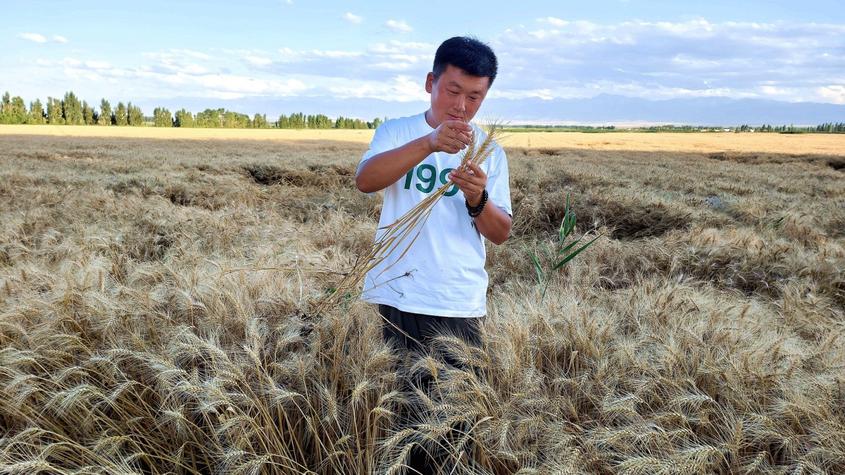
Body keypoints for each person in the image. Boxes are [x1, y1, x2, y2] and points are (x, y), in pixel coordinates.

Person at [355, 36, 512, 473]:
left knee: (454, 428)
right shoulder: (397, 132)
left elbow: (500, 232)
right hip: (398, 297)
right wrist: (429, 144)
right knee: (399, 422)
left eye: (475, 97)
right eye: (453, 91)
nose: (461, 106)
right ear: (431, 82)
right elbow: (366, 180)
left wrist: (478, 198)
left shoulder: (490, 151)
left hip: (458, 301)